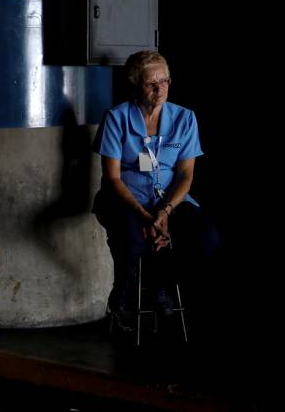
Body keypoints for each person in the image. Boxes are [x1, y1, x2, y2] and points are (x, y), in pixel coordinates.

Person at [92, 50, 218, 326]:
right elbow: (112, 179)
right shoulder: (117, 118)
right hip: (125, 199)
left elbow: (185, 174)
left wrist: (166, 212)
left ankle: (162, 282)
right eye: (152, 83)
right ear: (136, 86)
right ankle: (123, 293)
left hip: (169, 201)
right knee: (134, 237)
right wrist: (145, 216)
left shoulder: (185, 119)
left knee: (205, 238)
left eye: (165, 81)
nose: (161, 89)